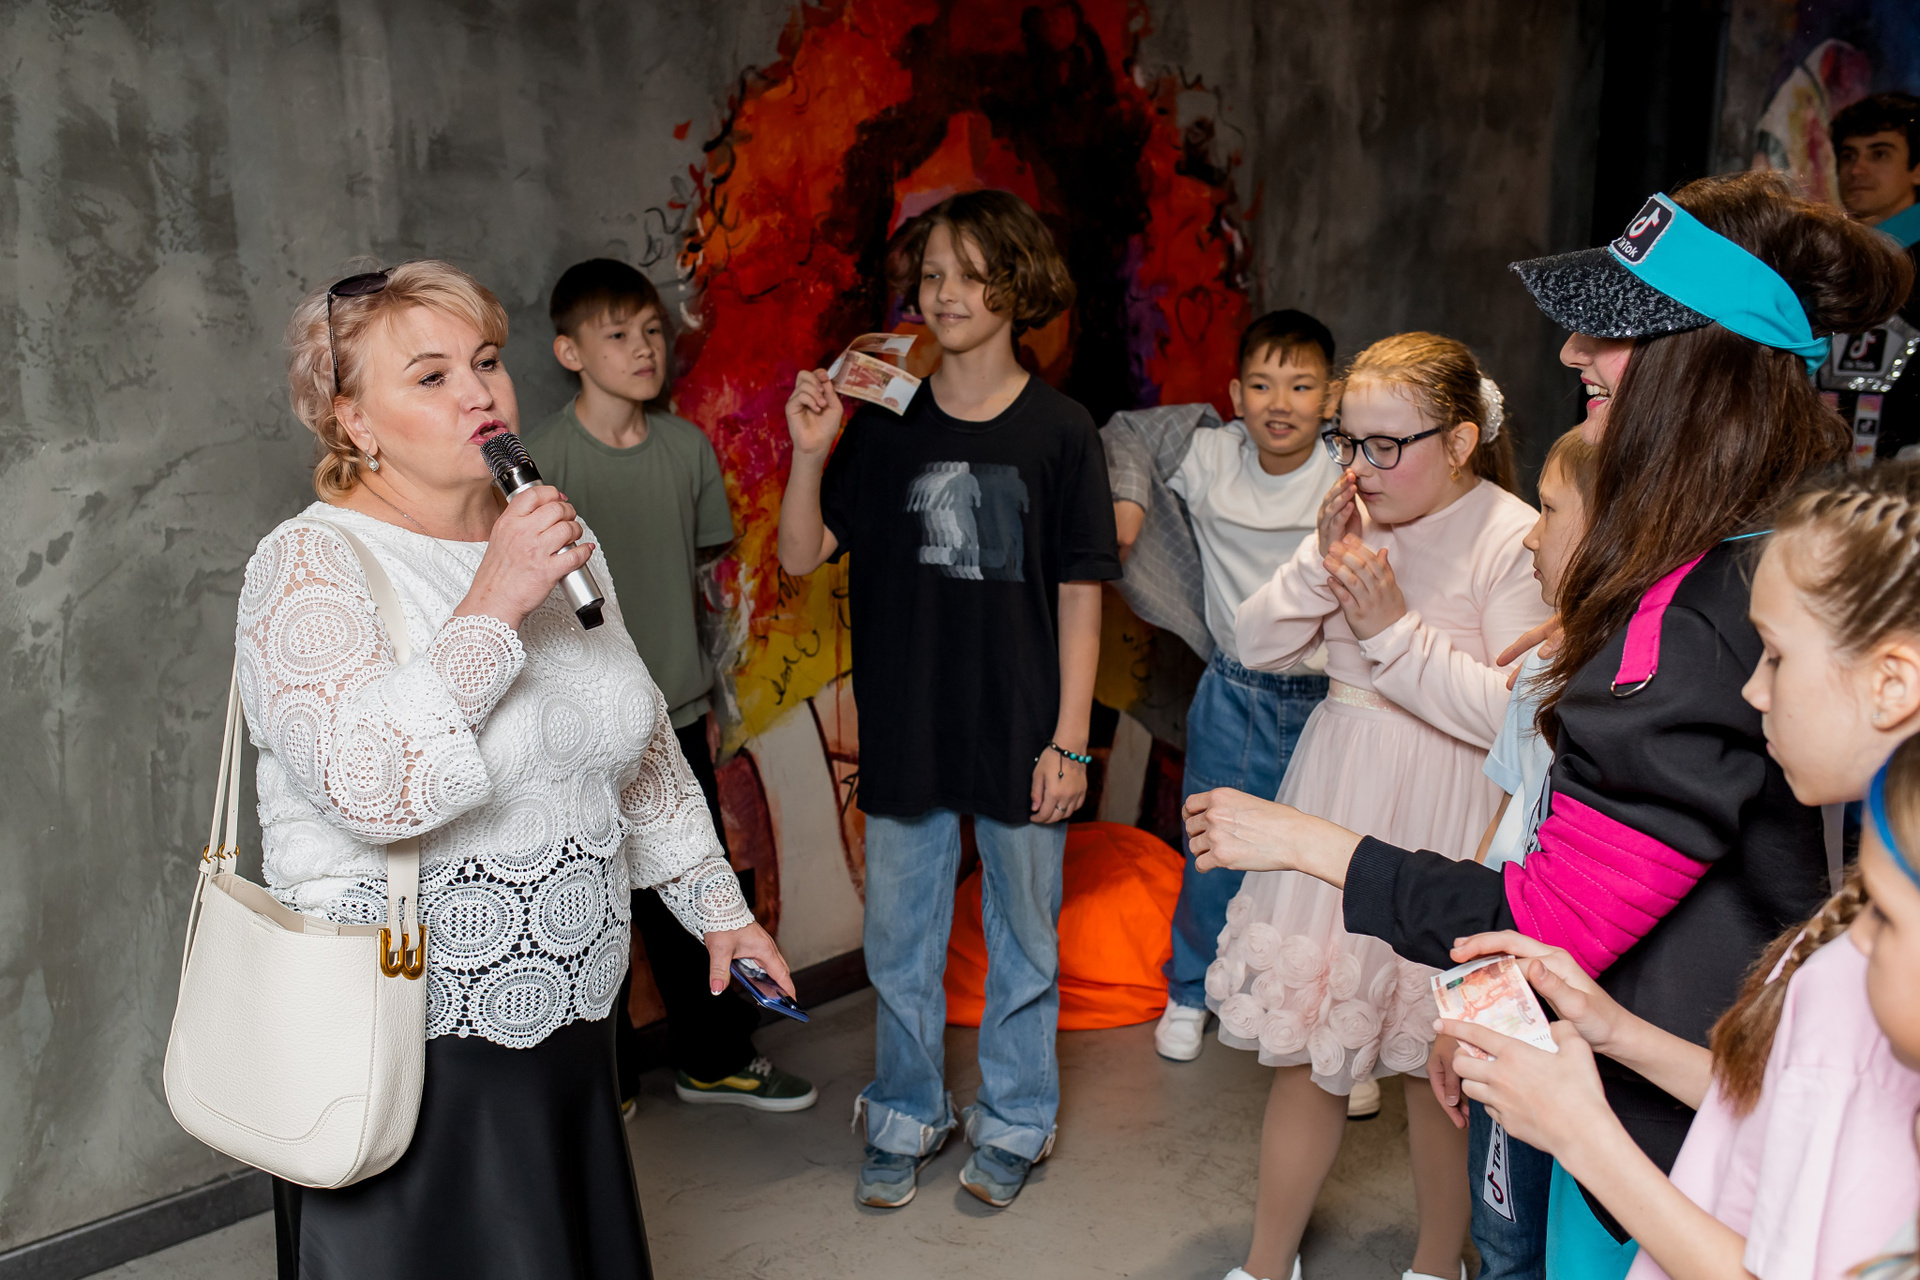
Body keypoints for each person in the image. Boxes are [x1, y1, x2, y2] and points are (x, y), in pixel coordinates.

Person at [1182, 171, 1913, 1279]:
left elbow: (1538, 916)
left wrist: (1306, 842)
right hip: (1688, 1080)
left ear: (1700, 368)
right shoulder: (1724, 571)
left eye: (1615, 331)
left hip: (1675, 1151)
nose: (1574, 353)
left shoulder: (1692, 625)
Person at [250, 260, 794, 1278]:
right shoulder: (310, 563)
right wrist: (494, 600)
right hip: (411, 1035)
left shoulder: (547, 537)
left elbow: (634, 744)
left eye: (487, 361)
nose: (480, 393)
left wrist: (718, 908)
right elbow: (369, 786)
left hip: (570, 1018)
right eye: (430, 376)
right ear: (353, 421)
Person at [1440, 462, 1920, 1279]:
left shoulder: (1883, 973)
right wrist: (1615, 1030)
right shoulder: (1871, 917)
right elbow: (1788, 1115)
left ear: (1892, 682)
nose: (1752, 690)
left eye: (1775, 656)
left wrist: (1582, 1134)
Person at [776, 189, 1120, 1210]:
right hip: (907, 722)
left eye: (971, 273)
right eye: (931, 275)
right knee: (899, 944)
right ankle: (905, 1113)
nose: (945, 293)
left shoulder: (1062, 430)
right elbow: (802, 553)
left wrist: (1070, 743)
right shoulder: (886, 422)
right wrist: (809, 451)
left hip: (1023, 728)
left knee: (1026, 943)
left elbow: (1082, 595)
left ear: (1019, 285)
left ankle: (1016, 1119)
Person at [1209, 332, 1550, 1280]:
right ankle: (1265, 1264)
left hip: (1447, 812)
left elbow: (1517, 719)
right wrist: (1321, 566)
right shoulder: (1355, 516)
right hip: (1338, 790)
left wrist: (1392, 628)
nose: (1359, 467)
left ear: (1462, 441)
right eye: (1348, 442)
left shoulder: (1512, 536)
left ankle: (1439, 1262)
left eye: (1386, 445)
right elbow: (1253, 643)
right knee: (1312, 1049)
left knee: (1438, 1064)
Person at [522, 258, 815, 1115]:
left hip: (674, 713)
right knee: (583, 903)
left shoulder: (686, 449)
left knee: (693, 895)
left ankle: (715, 1059)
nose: (644, 348)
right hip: (574, 722)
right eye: (617, 334)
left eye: (652, 330)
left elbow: (698, 583)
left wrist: (710, 700)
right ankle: (603, 1084)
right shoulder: (541, 460)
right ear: (570, 352)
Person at [1100, 310, 1342, 1075]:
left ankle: (1329, 1024)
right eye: (1262, 385)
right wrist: (1128, 503)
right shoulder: (1210, 457)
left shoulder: (1349, 469)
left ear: (1331, 398)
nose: (1280, 403)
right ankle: (1190, 991)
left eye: (1301, 386)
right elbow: (1125, 433)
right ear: (1235, 395)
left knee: (1329, 862)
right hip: (1236, 690)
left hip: (1335, 698)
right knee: (1214, 848)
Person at [1438, 426, 1597, 1280]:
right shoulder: (1540, 666)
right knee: (1504, 1237)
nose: (1531, 536)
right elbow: (1504, 827)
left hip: (1582, 997)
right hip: (1506, 989)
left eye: (1550, 510)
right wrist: (1464, 997)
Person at [1821, 93, 1920, 463]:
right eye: (1849, 155)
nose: (1857, 170)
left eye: (1879, 154)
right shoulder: (1819, 257)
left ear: (1917, 169)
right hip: (1819, 472)